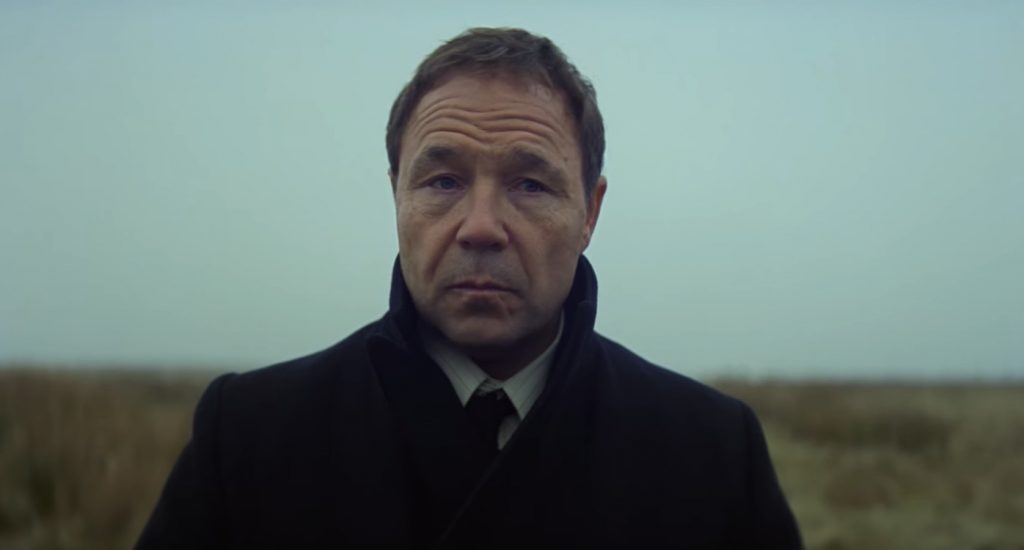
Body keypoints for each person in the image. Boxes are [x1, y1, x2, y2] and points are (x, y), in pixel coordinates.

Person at [136, 27, 802, 549]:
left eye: (530, 184)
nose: (481, 227)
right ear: (396, 197)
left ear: (591, 212)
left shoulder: (713, 453)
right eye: (443, 181)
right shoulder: (248, 437)